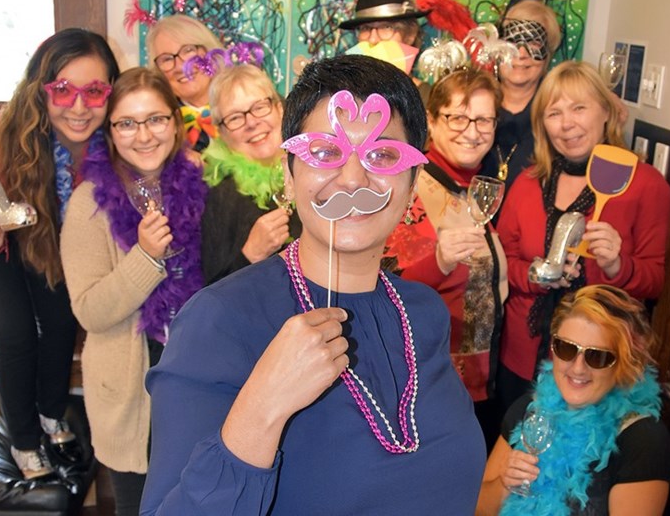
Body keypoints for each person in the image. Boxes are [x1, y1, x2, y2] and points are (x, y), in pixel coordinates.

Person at [139, 55, 486, 515]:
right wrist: (261, 408)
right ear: (289, 173)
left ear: (412, 180)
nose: (353, 178)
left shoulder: (424, 313)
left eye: (382, 155)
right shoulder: (218, 320)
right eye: (325, 153)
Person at [60, 67, 207, 516]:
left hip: (198, 381)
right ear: (110, 130)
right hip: (130, 395)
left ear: (176, 122)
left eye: (156, 119)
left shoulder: (204, 181)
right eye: (127, 122)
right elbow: (90, 311)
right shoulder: (90, 202)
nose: (143, 135)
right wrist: (145, 257)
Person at [0, 28, 120, 479]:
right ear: (43, 89)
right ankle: (22, 438)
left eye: (94, 91)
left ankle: (51, 413)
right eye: (63, 90)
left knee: (59, 322)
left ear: (111, 92)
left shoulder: (114, 140)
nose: (78, 107)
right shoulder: (5, 131)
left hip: (51, 241)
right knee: (16, 332)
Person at [493, 60, 670, 419]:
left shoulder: (646, 185)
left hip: (601, 363)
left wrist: (618, 266)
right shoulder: (528, 184)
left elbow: (655, 282)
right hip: (522, 359)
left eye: (579, 108)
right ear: (542, 124)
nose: (566, 123)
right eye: (553, 112)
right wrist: (532, 275)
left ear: (606, 111)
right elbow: (501, 262)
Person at [382, 67, 508, 452]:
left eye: (483, 119)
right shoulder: (409, 187)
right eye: (457, 117)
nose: (472, 131)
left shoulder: (480, 188)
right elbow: (383, 288)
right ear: (432, 122)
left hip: (485, 383)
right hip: (429, 387)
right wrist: (439, 260)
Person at [475, 285, 670, 516]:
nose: (578, 368)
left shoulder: (643, 441)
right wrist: (505, 485)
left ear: (625, 363)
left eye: (597, 356)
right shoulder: (530, 409)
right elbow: (478, 509)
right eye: (567, 348)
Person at [201, 63, 302, 284]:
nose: (252, 122)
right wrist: (250, 255)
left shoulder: (313, 170)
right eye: (235, 118)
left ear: (280, 109)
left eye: (259, 107)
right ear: (222, 133)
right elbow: (211, 293)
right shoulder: (221, 197)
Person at [479, 0, 563, 193]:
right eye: (513, 42)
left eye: (534, 44)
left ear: (548, 53)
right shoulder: (476, 102)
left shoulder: (558, 112)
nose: (522, 54)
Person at [146, 14, 226, 151]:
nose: (180, 67)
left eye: (188, 50)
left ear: (210, 52)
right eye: (166, 59)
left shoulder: (245, 106)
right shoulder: (157, 126)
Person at [339, 0, 431, 95]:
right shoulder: (344, 96)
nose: (373, 39)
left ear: (410, 34)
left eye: (386, 27)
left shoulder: (429, 100)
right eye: (366, 28)